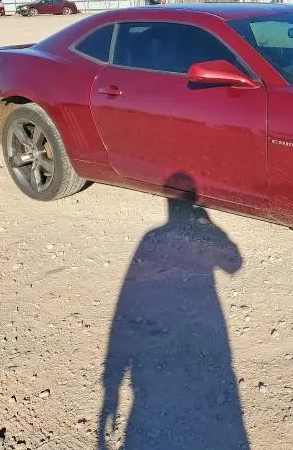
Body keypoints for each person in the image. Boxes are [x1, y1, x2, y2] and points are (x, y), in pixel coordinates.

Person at [99, 174, 248, 450]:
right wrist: (211, 226)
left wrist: (112, 387)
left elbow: (127, 297)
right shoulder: (201, 232)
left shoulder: (151, 238)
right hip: (205, 338)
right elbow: (234, 264)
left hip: (157, 359)